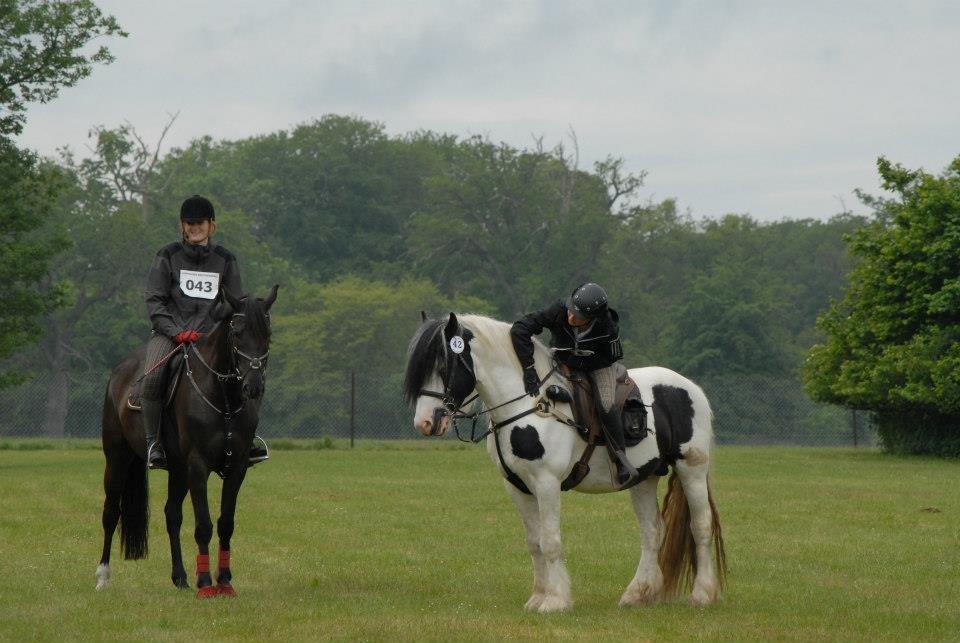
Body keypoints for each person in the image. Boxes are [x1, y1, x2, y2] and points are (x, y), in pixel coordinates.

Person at [141, 195, 268, 470]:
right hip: (169, 334)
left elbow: (234, 303)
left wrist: (217, 327)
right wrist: (176, 331)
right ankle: (154, 444)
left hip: (212, 338)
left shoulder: (225, 259)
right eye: (190, 223)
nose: (195, 227)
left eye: (201, 222)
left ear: (212, 226)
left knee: (250, 371)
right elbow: (155, 300)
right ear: (182, 226)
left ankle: (250, 439)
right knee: (151, 378)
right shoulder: (167, 255)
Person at [510, 282, 639, 490]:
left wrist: (578, 363)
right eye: (571, 310)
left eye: (578, 316)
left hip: (598, 366)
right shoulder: (559, 310)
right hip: (559, 360)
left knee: (606, 404)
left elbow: (611, 358)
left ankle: (620, 459)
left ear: (594, 318)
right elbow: (520, 329)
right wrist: (529, 369)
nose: (571, 317)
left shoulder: (607, 327)